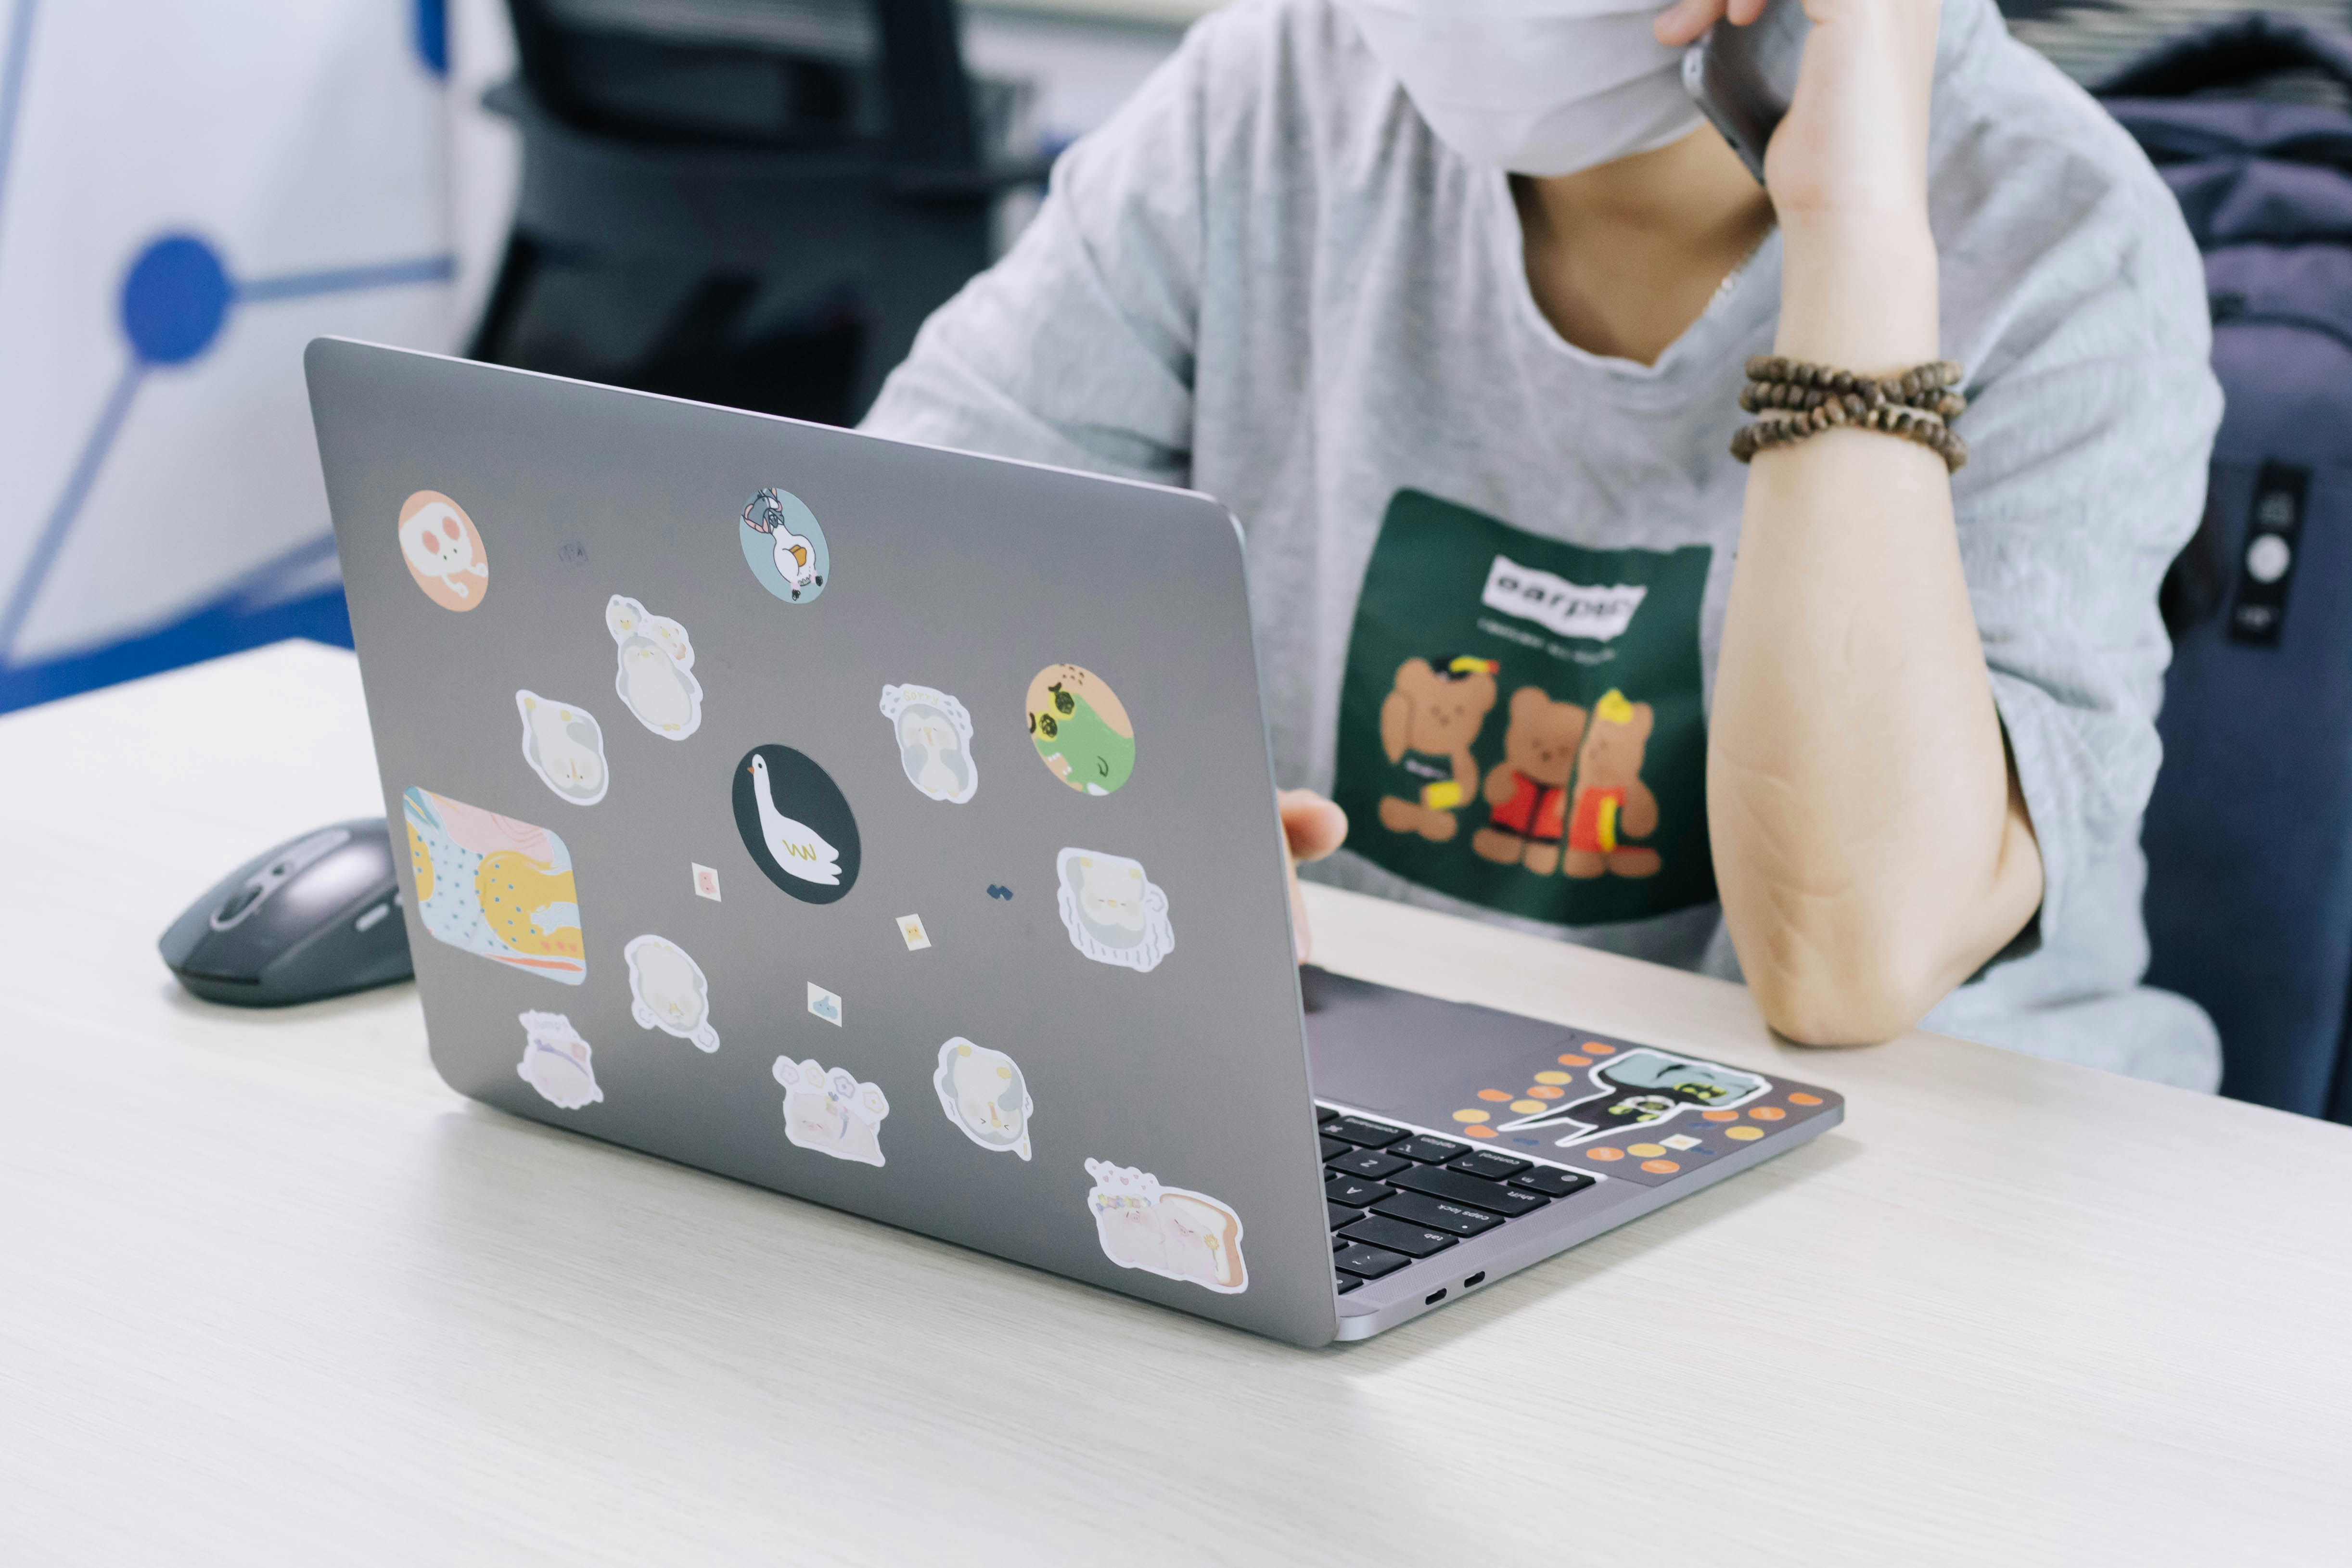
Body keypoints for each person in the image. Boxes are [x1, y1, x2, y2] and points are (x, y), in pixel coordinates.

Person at [860, 0, 2222, 1087]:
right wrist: (1135, 805)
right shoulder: (1273, 92)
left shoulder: (2068, 241)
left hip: (1921, 1179)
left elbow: (1841, 964)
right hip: (1388, 1095)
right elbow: (885, 577)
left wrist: (1855, 224)